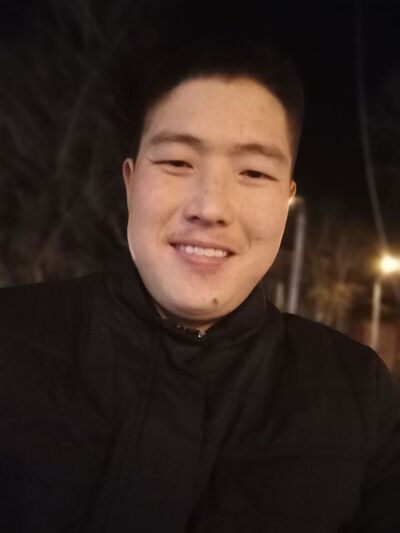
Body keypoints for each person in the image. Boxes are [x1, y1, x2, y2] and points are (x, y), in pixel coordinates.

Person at [1, 40, 400, 533]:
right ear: (130, 181)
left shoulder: (358, 396)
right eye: (177, 162)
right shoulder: (11, 337)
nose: (210, 208)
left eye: (254, 172)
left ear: (286, 201)